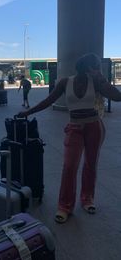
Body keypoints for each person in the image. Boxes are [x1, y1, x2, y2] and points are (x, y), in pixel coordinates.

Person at [18, 53, 121, 224]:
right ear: (85, 66)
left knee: (90, 164)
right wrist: (28, 112)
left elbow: (117, 97)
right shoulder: (66, 82)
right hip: (75, 127)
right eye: (94, 66)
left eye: (97, 66)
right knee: (69, 166)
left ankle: (87, 199)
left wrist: (101, 78)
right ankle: (65, 206)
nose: (96, 68)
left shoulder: (96, 81)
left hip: (94, 126)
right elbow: (48, 100)